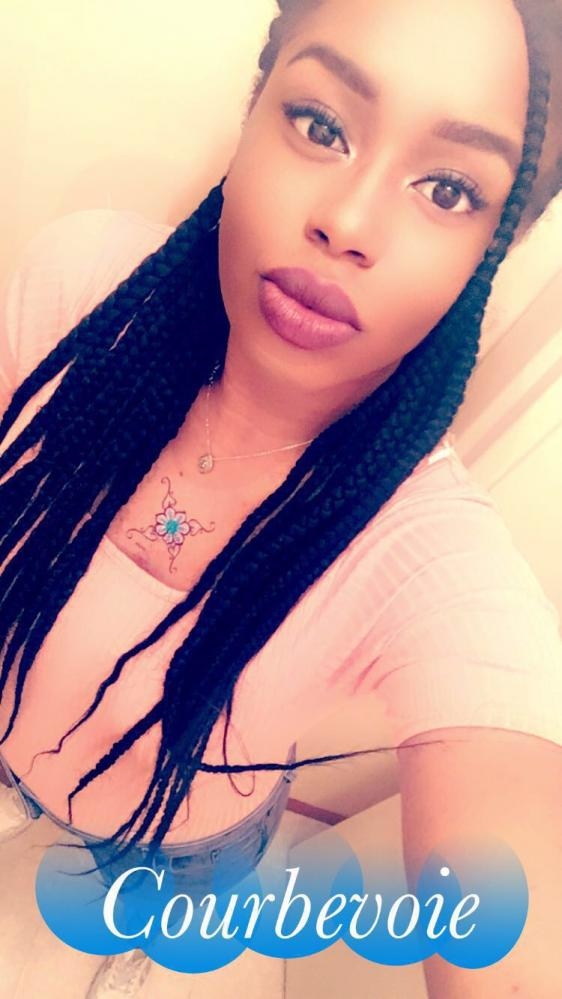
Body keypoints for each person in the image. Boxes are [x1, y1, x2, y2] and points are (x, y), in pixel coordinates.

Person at [1, 0, 561, 995]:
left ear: (494, 253)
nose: (347, 221)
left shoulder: (429, 555)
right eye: (320, 123)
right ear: (256, 107)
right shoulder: (77, 283)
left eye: (446, 189)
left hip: (176, 857)